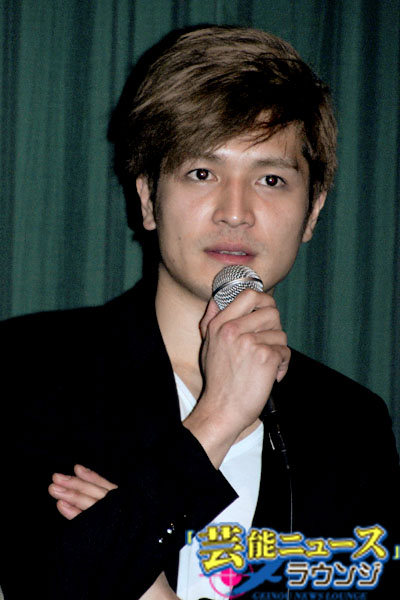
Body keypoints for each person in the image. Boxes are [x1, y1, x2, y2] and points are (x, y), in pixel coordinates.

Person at [2, 25, 398, 600]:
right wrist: (216, 419)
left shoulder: (350, 425)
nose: (235, 211)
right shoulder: (31, 369)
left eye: (270, 179)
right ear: (147, 197)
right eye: (202, 173)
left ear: (312, 211)